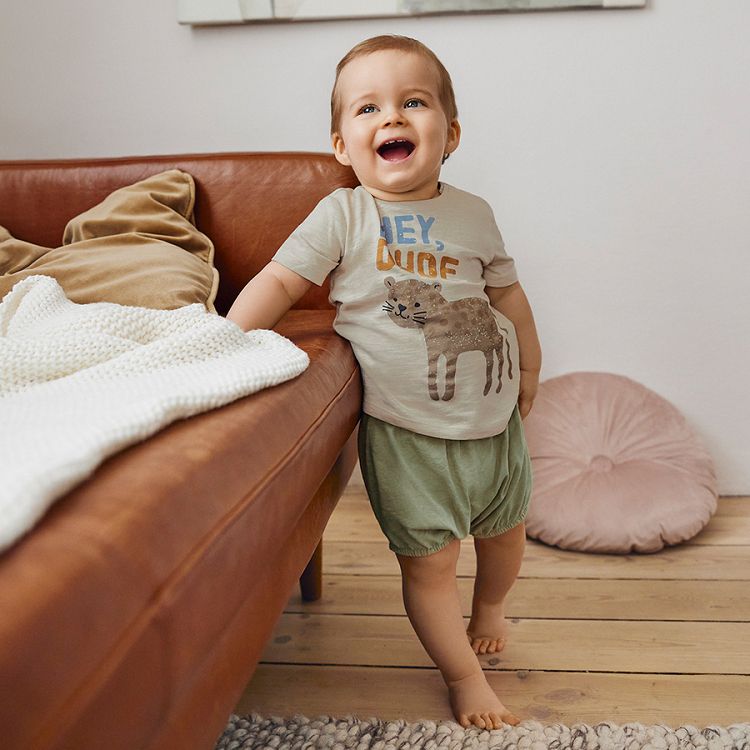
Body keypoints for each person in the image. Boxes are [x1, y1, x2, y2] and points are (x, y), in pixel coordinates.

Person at [227, 35, 542, 731]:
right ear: (343, 144)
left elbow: (509, 297)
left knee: (507, 536)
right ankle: (462, 674)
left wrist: (531, 364)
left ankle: (490, 606)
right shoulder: (343, 215)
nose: (392, 117)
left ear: (449, 133)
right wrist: (227, 337)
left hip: (495, 428)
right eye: (368, 107)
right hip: (408, 435)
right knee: (431, 567)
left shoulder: (474, 214)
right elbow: (281, 280)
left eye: (413, 102)